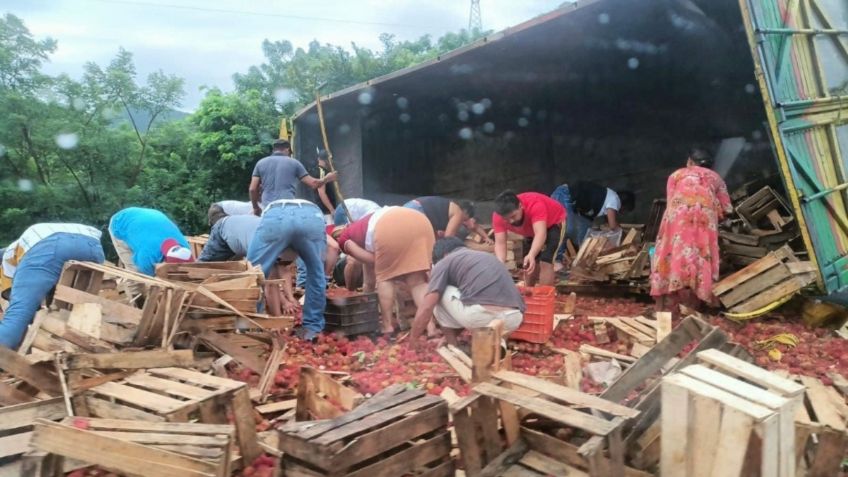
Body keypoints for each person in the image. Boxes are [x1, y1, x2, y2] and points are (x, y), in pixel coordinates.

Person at [650, 148, 732, 315]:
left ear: (690, 162)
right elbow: (727, 208)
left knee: (671, 254)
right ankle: (694, 306)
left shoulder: (676, 175)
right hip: (704, 223)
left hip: (678, 221)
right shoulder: (716, 178)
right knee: (701, 257)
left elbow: (671, 200)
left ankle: (665, 305)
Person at [0, 223, 105, 348]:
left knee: (18, 314)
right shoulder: (20, 249)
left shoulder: (7, 260)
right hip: (93, 246)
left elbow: (15, 299)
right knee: (69, 310)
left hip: (50, 244)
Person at [335, 207, 435, 334]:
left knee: (385, 277)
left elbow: (372, 260)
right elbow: (368, 280)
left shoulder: (344, 239)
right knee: (418, 282)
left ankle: (387, 326)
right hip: (420, 222)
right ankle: (430, 327)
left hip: (389, 226)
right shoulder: (364, 224)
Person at [410, 237, 525, 346]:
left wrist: (413, 340)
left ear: (444, 255)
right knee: (464, 298)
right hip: (514, 319)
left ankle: (452, 346)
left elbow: (427, 306)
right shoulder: (487, 257)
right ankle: (495, 346)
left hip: (483, 317)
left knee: (437, 292)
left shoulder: (444, 261)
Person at [247, 199, 327, 341]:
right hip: (312, 216)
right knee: (316, 273)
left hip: (276, 216)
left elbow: (271, 276)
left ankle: (253, 328)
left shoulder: (256, 227)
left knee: (253, 275)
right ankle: (312, 330)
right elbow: (282, 271)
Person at [492, 191, 566, 287]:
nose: (511, 221)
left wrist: (532, 254)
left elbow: (540, 233)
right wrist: (500, 264)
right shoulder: (498, 216)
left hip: (553, 223)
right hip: (530, 229)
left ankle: (544, 298)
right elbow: (500, 243)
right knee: (527, 263)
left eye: (513, 216)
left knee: (546, 261)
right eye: (506, 219)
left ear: (520, 206)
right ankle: (528, 293)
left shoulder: (535, 205)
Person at [249, 139, 337, 217]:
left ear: (274, 149)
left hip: (268, 209)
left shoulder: (260, 163)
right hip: (287, 208)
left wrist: (256, 208)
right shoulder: (294, 163)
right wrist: (327, 178)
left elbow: (252, 189)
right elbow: (313, 184)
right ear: (287, 149)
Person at [109, 207, 193, 275]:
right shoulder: (147, 257)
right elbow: (151, 278)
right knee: (135, 273)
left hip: (147, 218)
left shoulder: (186, 248)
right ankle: (138, 295)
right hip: (120, 222)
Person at [551, 181, 635, 248]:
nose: (621, 214)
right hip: (564, 194)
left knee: (584, 230)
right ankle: (557, 260)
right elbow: (613, 225)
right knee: (568, 228)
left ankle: (580, 256)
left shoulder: (599, 203)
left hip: (567, 198)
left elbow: (585, 226)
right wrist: (624, 236)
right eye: (624, 211)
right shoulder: (615, 199)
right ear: (624, 206)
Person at [403, 196, 492, 243]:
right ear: (465, 212)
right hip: (417, 210)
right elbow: (448, 240)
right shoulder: (458, 213)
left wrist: (486, 237)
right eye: (466, 219)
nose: (463, 222)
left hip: (407, 207)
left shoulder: (446, 208)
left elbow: (435, 236)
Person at [313, 150, 338, 224]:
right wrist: (332, 210)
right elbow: (321, 193)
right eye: (331, 159)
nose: (332, 161)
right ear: (327, 160)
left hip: (324, 211)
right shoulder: (322, 172)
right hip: (325, 212)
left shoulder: (320, 171)